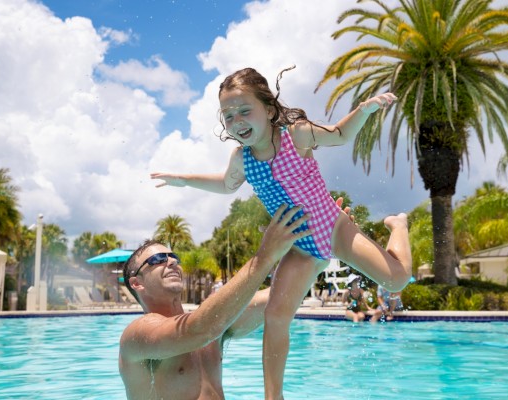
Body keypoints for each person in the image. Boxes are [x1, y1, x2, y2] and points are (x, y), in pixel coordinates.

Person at [150, 66, 413, 399]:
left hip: (333, 227)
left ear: (270, 109)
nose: (237, 121)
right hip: (300, 246)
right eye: (228, 116)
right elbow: (225, 185)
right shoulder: (243, 159)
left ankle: (398, 224)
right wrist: (185, 179)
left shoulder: (296, 135)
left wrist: (363, 110)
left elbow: (340, 134)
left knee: (397, 280)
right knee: (275, 314)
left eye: (245, 111)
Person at [118, 204, 311, 400]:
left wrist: (317, 245)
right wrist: (265, 255)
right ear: (137, 283)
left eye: (173, 257)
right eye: (158, 259)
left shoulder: (213, 322)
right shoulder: (136, 336)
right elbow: (199, 330)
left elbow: (281, 296)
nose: (172, 262)